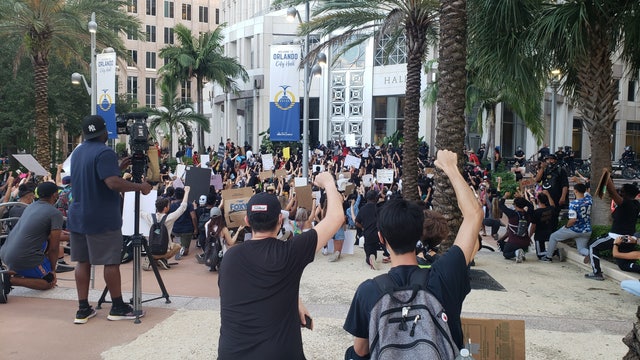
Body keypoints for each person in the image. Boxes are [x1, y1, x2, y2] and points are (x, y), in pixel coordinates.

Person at [343, 150, 483, 359]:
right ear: (420, 234)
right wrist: (450, 168)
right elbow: (473, 215)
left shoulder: (368, 291)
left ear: (382, 239)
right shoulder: (444, 276)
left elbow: (361, 351)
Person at [217, 172, 344, 359]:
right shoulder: (290, 253)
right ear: (279, 219)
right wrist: (328, 182)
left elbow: (254, 289)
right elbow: (336, 218)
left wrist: (294, 300)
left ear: (247, 221)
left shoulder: (230, 257)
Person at [67, 115, 152, 324]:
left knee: (82, 261)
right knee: (111, 261)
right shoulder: (105, 152)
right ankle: (117, 307)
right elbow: (113, 183)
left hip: (78, 216)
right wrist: (140, 187)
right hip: (101, 217)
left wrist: (118, 168)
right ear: (104, 132)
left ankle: (83, 309)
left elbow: (95, 176)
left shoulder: (78, 152)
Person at [0, 182, 64, 301]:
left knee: (41, 249)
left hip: (5, 253)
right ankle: (9, 280)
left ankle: (11, 273)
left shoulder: (31, 207)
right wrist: (52, 270)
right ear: (55, 195)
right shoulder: (55, 213)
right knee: (48, 281)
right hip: (23, 257)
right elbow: (54, 247)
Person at [585, 177, 640, 281]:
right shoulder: (636, 204)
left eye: (621, 191)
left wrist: (607, 178)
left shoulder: (626, 204)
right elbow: (614, 193)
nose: (619, 192)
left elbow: (613, 193)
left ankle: (597, 273)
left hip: (616, 237)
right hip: (629, 238)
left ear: (626, 194)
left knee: (593, 246)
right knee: (624, 264)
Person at [140, 186, 191, 270]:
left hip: (151, 249)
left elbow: (140, 211)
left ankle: (152, 259)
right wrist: (187, 192)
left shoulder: (150, 217)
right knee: (178, 246)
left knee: (156, 249)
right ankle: (160, 259)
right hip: (164, 249)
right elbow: (183, 207)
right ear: (165, 208)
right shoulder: (169, 218)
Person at [541, 183, 592, 262]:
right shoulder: (589, 199)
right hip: (587, 230)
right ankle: (591, 254)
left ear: (575, 191)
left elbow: (573, 220)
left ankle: (548, 257)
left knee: (553, 236)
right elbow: (585, 192)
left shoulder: (574, 204)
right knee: (581, 249)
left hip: (574, 229)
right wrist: (578, 181)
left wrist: (566, 226)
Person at [356, 190, 389, 270]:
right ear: (376, 198)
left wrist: (363, 227)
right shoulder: (379, 208)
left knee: (370, 254)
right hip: (379, 234)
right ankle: (387, 254)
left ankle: (370, 257)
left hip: (368, 234)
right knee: (379, 249)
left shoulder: (362, 209)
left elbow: (357, 222)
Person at [498, 193, 534, 263]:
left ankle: (516, 253)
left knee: (505, 254)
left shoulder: (512, 214)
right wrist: (522, 198)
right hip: (525, 243)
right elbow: (530, 205)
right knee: (517, 247)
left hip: (514, 242)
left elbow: (501, 205)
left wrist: (505, 196)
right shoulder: (528, 214)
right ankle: (521, 252)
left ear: (515, 205)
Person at [529, 190, 559, 260]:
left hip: (539, 235)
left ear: (538, 200)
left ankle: (555, 252)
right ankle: (553, 252)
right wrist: (548, 195)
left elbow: (533, 226)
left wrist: (529, 236)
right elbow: (553, 204)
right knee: (542, 251)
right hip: (551, 232)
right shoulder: (551, 209)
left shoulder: (536, 212)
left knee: (539, 254)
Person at [169, 187, 197, 258]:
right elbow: (193, 217)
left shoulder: (171, 206)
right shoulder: (189, 204)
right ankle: (182, 249)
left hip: (175, 230)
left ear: (175, 195)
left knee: (175, 238)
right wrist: (195, 228)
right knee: (185, 252)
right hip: (187, 230)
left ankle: (175, 247)